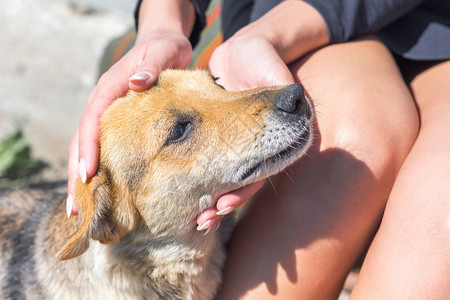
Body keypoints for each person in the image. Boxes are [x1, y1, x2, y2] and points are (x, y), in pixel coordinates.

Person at [66, 0, 450, 298]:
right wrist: (161, 28)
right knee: (353, 142)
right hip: (286, 10)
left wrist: (270, 35)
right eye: (180, 131)